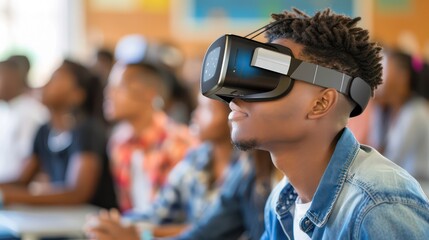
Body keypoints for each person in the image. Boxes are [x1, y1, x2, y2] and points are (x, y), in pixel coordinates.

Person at [222, 8, 429, 239]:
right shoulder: (282, 200)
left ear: (320, 103)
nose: (236, 97)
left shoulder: (378, 207)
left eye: (268, 79)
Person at [87, 95, 257, 239]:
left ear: (233, 114)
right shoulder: (197, 158)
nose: (195, 114)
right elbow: (160, 211)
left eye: (206, 109)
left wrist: (140, 235)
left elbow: (210, 229)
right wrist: (116, 223)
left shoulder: (248, 168)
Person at [0, 59, 117, 209]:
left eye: (55, 79)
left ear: (77, 95)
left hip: (86, 224)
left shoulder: (87, 131)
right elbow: (22, 180)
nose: (46, 84)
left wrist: (8, 196)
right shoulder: (44, 131)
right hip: (60, 219)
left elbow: (77, 194)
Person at [104, 61, 195, 213]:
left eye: (118, 87)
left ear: (149, 94)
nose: (108, 93)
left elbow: (182, 216)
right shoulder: (118, 142)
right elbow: (129, 208)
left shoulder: (179, 142)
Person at [368, 49, 429, 192]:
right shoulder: (386, 110)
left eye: (386, 68)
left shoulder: (416, 112)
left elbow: (391, 161)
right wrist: (377, 109)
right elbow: (375, 146)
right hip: (402, 185)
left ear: (403, 77)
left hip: (420, 188)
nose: (380, 76)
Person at [0, 58, 49, 182]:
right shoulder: (6, 110)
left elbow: (30, 163)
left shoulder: (30, 112)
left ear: (13, 78)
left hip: (16, 191)